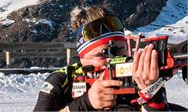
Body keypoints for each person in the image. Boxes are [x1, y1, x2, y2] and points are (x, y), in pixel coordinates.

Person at [33, 6, 174, 111]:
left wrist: (150, 93)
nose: (114, 59)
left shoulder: (139, 76)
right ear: (83, 59)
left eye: (120, 50)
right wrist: (85, 103)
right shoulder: (61, 81)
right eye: (102, 54)